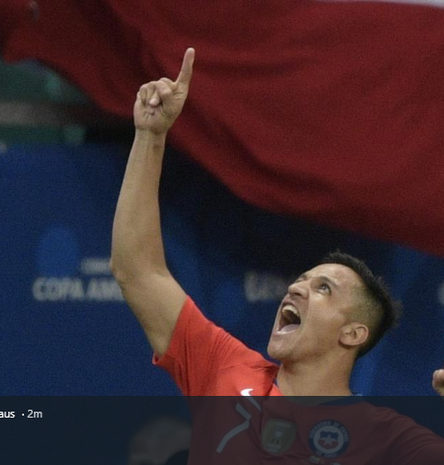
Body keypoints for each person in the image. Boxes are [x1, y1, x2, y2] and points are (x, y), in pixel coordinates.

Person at [110, 47, 444, 463]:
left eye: (323, 288)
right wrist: (150, 137)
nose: (296, 289)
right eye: (301, 279)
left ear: (353, 333)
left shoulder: (387, 438)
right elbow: (138, 271)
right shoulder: (223, 368)